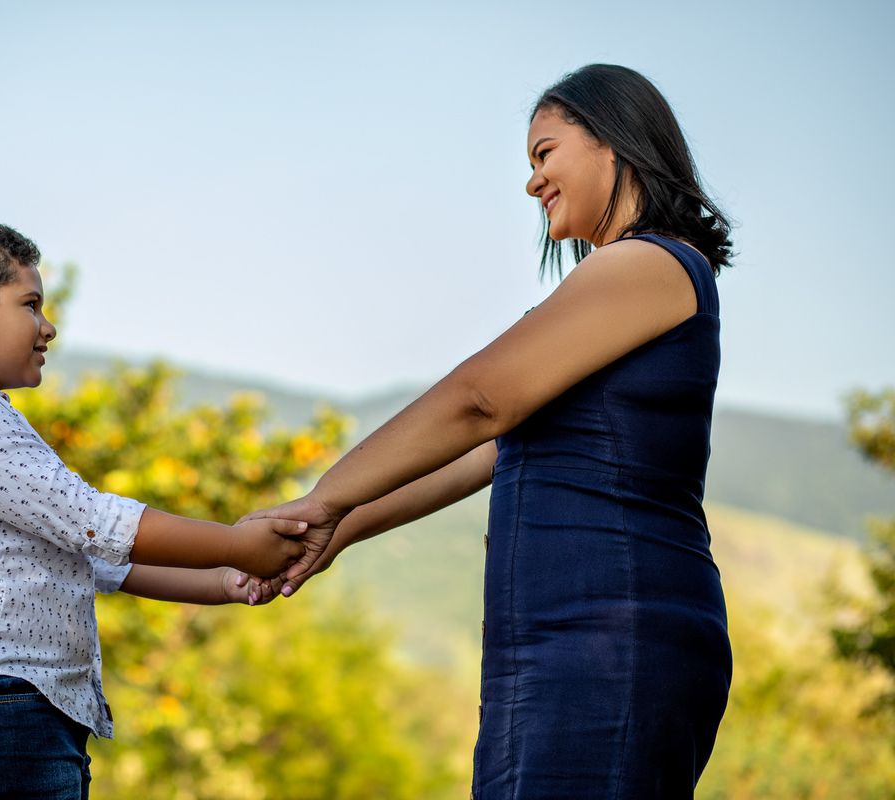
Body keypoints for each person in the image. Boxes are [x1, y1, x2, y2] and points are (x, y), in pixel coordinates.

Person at [247, 64, 734, 798]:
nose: (533, 182)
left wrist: (324, 496)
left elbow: (479, 402)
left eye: (545, 153)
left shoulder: (649, 264)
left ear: (614, 142)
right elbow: (487, 450)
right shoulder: (615, 285)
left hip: (611, 632)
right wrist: (337, 526)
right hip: (555, 639)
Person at [0, 219, 304, 799]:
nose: (48, 326)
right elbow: (92, 522)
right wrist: (238, 545)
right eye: (30, 304)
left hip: (7, 700)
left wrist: (223, 580)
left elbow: (93, 559)